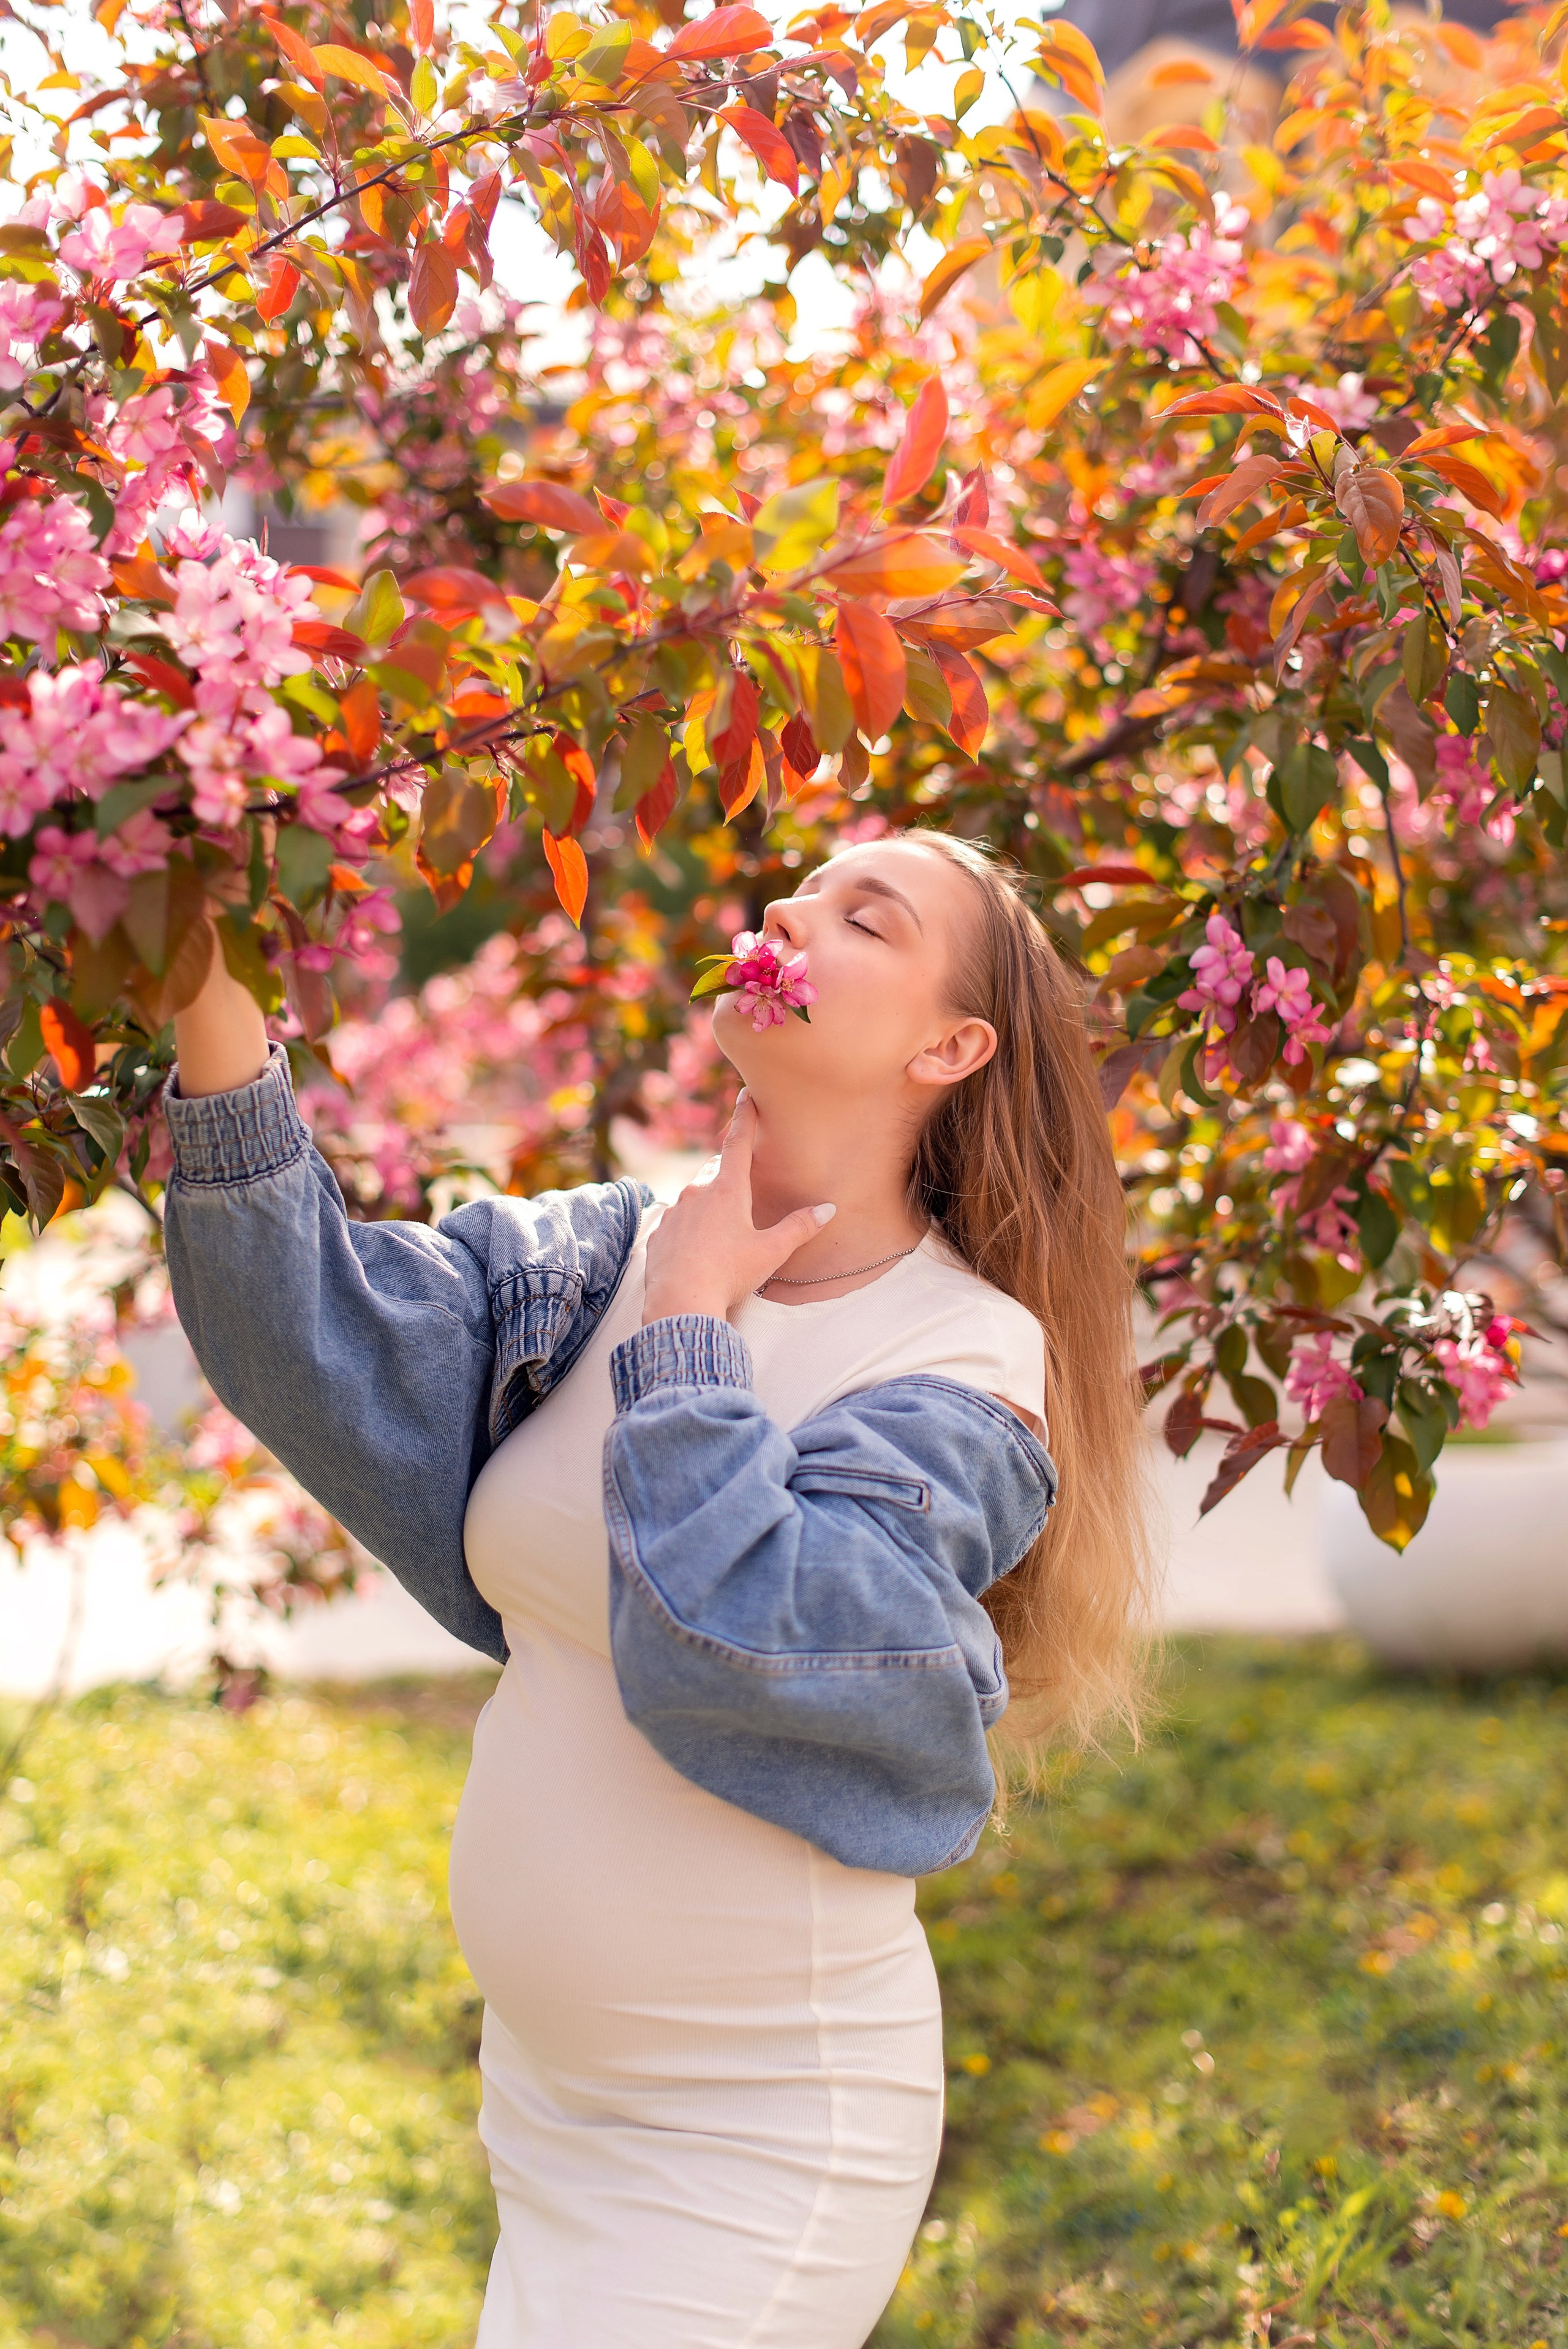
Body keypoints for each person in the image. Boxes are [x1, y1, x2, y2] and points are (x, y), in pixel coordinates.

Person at [162, 827, 1155, 2349]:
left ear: (952, 1044)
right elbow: (310, 1335)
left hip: (758, 2122)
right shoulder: (601, 1255)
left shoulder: (960, 1361)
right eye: (795, 891)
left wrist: (690, 1329)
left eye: (861, 917)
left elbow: (742, 1628)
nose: (786, 910)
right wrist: (198, 975)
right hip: (549, 2100)